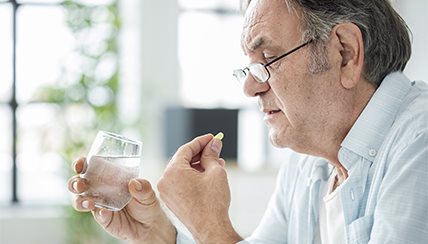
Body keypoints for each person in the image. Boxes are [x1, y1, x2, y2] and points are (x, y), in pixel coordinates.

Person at [68, 0, 428, 243]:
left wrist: (210, 227)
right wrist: (165, 237)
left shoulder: (420, 142)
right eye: (249, 65)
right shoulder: (307, 163)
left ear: (345, 53)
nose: (250, 86)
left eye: (268, 58)